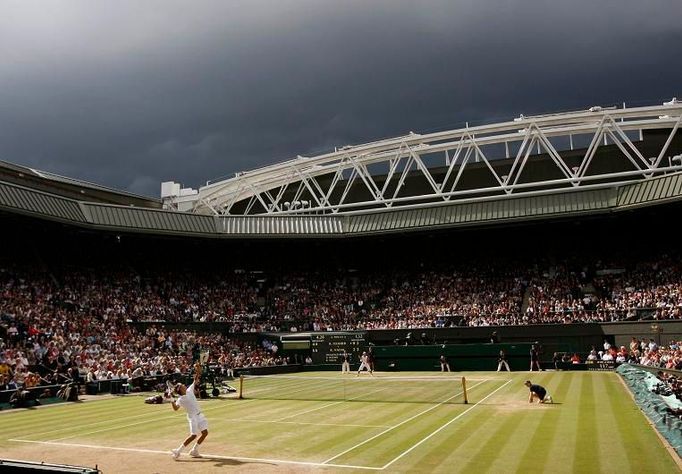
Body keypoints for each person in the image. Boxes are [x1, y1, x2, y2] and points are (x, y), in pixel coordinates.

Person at [171, 362, 209, 460]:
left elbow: (195, 379)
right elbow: (175, 408)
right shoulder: (180, 399)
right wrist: (171, 400)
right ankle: (178, 451)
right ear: (180, 389)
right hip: (192, 418)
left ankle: (194, 450)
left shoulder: (189, 390)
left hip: (200, 415)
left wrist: (198, 370)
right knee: (193, 435)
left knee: (205, 433)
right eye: (182, 385)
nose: (184, 385)